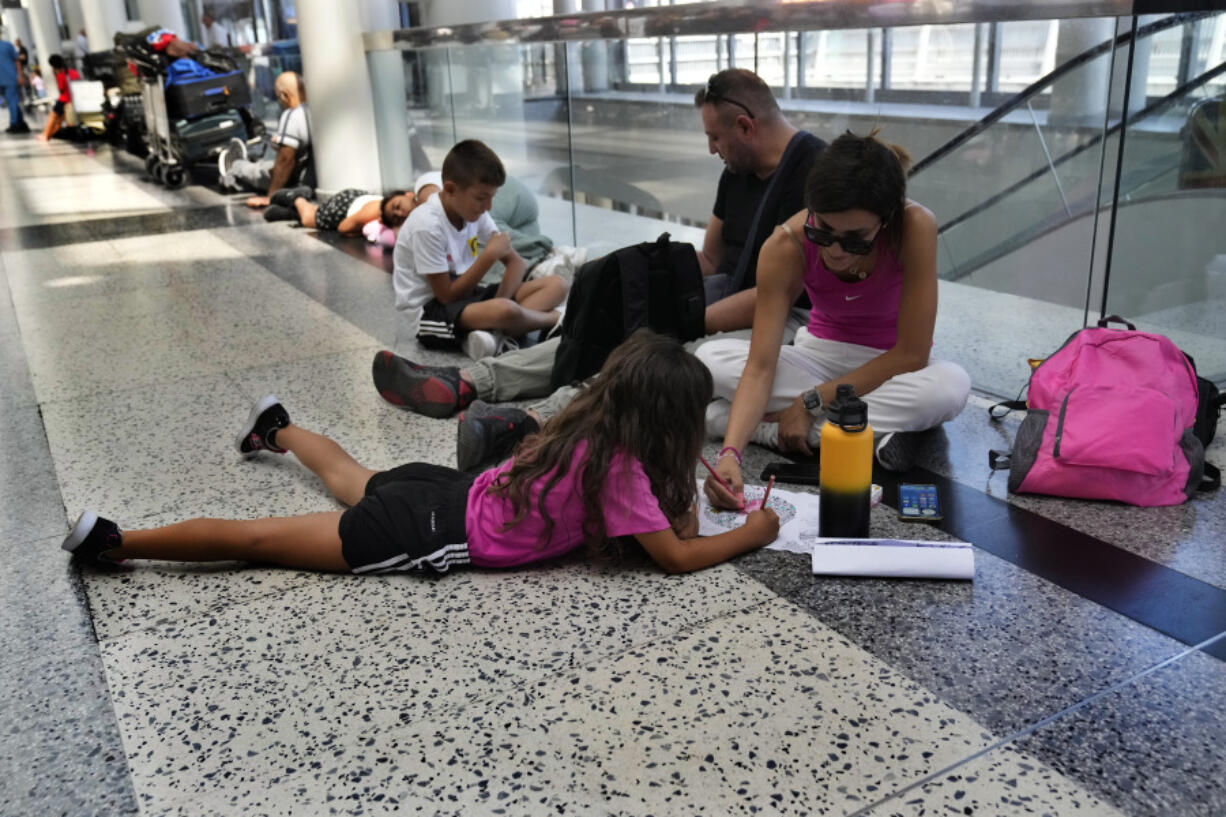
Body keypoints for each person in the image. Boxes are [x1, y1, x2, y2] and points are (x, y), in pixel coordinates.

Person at [373, 69, 825, 462]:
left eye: (715, 138)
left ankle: (534, 422)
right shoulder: (737, 173)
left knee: (658, 353)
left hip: (784, 320)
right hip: (727, 299)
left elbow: (777, 297)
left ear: (745, 126)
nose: (711, 149)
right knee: (605, 324)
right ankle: (467, 382)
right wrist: (639, 282)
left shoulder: (814, 178)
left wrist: (682, 320)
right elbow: (709, 259)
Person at [60, 332, 780, 577]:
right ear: (671, 425)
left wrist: (684, 485)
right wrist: (751, 530)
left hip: (442, 486)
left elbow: (667, 521)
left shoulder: (589, 428)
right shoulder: (624, 472)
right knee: (262, 540)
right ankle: (119, 541)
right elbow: (678, 553)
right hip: (433, 532)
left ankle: (277, 427)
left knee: (345, 474)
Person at [700, 130, 971, 508]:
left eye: (856, 238)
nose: (836, 250)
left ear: (887, 220)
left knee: (950, 387)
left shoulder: (915, 226)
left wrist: (808, 403)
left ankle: (763, 428)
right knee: (712, 360)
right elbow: (760, 366)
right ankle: (867, 432)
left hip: (891, 366)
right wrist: (729, 456)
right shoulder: (785, 245)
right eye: (822, 231)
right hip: (818, 356)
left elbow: (911, 354)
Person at [394, 139, 567, 361]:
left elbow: (516, 263)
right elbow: (445, 296)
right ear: (450, 189)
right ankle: (557, 319)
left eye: (492, 197)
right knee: (506, 311)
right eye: (481, 198)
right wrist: (489, 257)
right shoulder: (426, 226)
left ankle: (490, 335)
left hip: (468, 295)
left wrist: (499, 302)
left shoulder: (475, 213)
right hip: (430, 312)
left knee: (557, 285)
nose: (488, 207)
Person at [218, 71, 310, 208]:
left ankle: (233, 168)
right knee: (268, 158)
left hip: (299, 177)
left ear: (285, 95)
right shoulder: (314, 107)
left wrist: (271, 197)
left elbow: (286, 160)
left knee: (256, 170)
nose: (280, 102)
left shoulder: (293, 115)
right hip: (308, 171)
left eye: (279, 98)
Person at [39, 54, 79, 141]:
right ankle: (49, 135)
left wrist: (56, 76)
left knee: (53, 117)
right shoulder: (73, 72)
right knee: (60, 120)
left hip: (64, 99)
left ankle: (46, 135)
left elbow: (61, 89)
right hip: (73, 99)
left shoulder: (60, 75)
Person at [0, 29, 29, 134]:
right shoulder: (8, 45)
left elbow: (17, 61)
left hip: (10, 79)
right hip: (7, 79)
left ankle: (14, 124)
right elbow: (17, 61)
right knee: (12, 101)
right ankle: (20, 122)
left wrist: (20, 76)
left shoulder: (8, 45)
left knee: (11, 101)